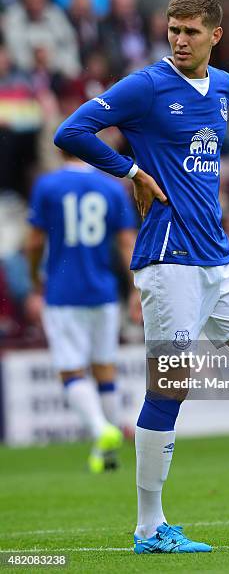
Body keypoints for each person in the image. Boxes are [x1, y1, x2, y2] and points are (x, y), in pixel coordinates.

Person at [54, 0, 229, 554]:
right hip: (169, 259)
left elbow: (198, 163)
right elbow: (72, 130)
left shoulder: (225, 86)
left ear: (216, 35)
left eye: (190, 31)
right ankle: (149, 527)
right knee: (171, 387)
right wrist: (131, 170)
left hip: (219, 259)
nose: (179, 40)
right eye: (173, 29)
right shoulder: (147, 85)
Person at [26, 151, 137, 472]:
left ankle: (101, 429)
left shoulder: (48, 185)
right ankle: (107, 454)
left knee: (71, 371)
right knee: (105, 369)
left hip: (63, 291)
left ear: (59, 148)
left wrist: (35, 278)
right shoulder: (112, 188)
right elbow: (127, 242)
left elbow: (34, 242)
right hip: (103, 291)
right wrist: (133, 289)